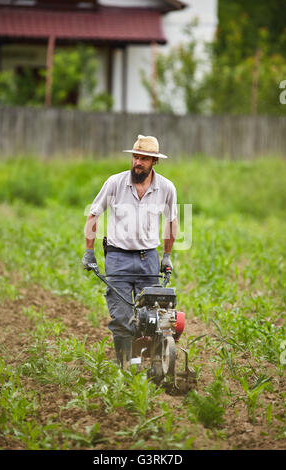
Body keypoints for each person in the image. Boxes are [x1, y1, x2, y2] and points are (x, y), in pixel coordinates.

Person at [82, 134, 178, 367]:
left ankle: (155, 365)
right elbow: (94, 214)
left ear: (154, 161)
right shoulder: (115, 183)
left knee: (155, 316)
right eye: (136, 156)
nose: (138, 162)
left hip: (148, 259)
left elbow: (171, 221)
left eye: (144, 158)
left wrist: (166, 255)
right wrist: (89, 252)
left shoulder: (166, 188)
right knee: (122, 318)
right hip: (118, 259)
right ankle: (127, 367)